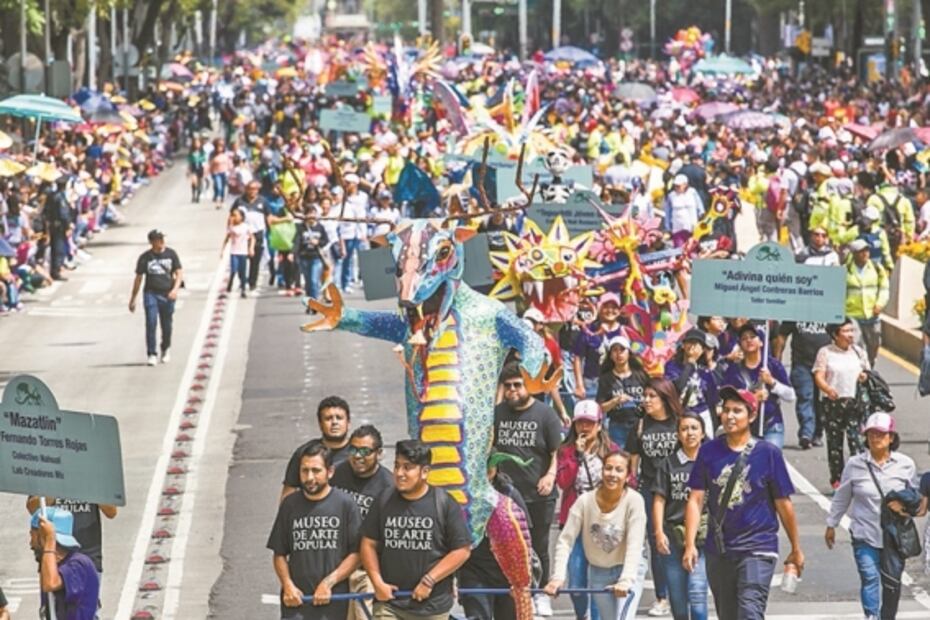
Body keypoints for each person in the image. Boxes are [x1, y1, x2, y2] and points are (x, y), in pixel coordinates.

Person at [683, 387, 804, 620]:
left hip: (758, 546)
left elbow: (783, 503)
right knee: (727, 615)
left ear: (751, 416)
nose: (729, 416)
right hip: (719, 548)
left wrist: (796, 548)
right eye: (726, 410)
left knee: (750, 611)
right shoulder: (708, 452)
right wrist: (690, 544)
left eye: (737, 411)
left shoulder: (768, 453)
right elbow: (695, 499)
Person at [360, 439, 472, 620]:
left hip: (432, 607)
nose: (399, 473)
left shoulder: (444, 503)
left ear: (425, 472)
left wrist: (429, 580)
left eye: (407, 467)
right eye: (396, 466)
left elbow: (462, 550)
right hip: (389, 604)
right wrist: (377, 582)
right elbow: (368, 543)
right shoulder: (383, 499)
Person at [826, 413, 919, 620]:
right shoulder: (854, 464)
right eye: (871, 434)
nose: (875, 438)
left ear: (891, 437)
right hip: (864, 534)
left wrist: (903, 508)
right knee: (869, 576)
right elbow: (842, 496)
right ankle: (871, 616)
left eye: (880, 434)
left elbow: (916, 500)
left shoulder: (906, 464)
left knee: (892, 583)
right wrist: (831, 524)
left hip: (894, 537)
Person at [493, 361, 563, 617]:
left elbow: (557, 450)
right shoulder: (498, 413)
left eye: (518, 385)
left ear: (529, 386)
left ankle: (541, 594)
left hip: (538, 494)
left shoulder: (546, 414)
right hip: (506, 496)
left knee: (539, 546)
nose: (513, 390)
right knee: (509, 547)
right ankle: (517, 595)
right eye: (508, 385)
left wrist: (550, 474)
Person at [545, 450, 647, 620]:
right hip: (599, 570)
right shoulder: (584, 501)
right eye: (608, 468)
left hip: (629, 567)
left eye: (619, 470)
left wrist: (626, 579)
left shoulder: (634, 501)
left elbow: (635, 544)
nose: (612, 474)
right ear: (602, 471)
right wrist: (558, 577)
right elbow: (565, 540)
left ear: (628, 476)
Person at [267, 440, 362, 620]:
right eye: (305, 471)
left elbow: (356, 554)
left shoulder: (346, 504)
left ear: (330, 472)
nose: (310, 477)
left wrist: (328, 583)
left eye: (316, 471)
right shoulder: (290, 505)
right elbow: (279, 553)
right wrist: (288, 585)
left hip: (333, 602)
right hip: (296, 603)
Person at [555, 400, 619, 620]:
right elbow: (563, 482)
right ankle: (581, 614)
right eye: (580, 423)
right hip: (576, 523)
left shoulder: (611, 451)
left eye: (589, 423)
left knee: (600, 581)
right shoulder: (566, 451)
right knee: (576, 581)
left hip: (604, 521)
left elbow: (625, 480)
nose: (584, 428)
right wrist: (577, 457)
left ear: (599, 425)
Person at [626, 377, 681, 618]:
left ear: (665, 398)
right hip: (650, 489)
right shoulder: (640, 425)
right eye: (644, 396)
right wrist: (632, 483)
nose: (646, 400)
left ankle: (683, 587)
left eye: (651, 396)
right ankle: (662, 596)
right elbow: (634, 456)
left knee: (680, 538)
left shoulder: (680, 423)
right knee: (657, 543)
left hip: (678, 489)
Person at [458, 450, 533, 620]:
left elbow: (526, 538)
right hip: (474, 572)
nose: (483, 474)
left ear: (495, 469)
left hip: (508, 575)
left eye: (488, 468)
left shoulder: (510, 494)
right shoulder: (462, 498)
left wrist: (523, 582)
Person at [330, 425, 394, 620]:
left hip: (366, 570)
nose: (358, 456)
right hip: (335, 563)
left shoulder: (389, 486)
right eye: (353, 449)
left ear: (379, 453)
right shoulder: (337, 474)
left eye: (365, 451)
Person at [653, 414, 708, 620]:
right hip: (672, 535)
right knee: (677, 597)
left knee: (697, 590)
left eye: (694, 428)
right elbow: (659, 499)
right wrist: (658, 532)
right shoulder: (668, 463)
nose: (690, 433)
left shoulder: (711, 462)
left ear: (702, 433)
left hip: (703, 536)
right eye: (684, 429)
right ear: (678, 434)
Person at [813, 318, 870, 488]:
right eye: (846, 331)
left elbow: (868, 373)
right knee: (835, 444)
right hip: (833, 403)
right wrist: (828, 389)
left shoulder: (859, 352)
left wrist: (864, 377)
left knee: (857, 442)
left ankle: (858, 479)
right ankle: (837, 479)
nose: (850, 335)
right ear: (835, 335)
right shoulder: (825, 352)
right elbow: (818, 376)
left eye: (852, 330)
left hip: (855, 403)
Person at [721, 323, 795, 448]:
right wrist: (753, 398)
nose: (748, 340)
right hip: (743, 427)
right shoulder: (734, 370)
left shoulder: (772, 365)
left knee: (770, 462)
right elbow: (726, 399)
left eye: (752, 337)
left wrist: (772, 382)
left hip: (771, 425)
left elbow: (790, 396)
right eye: (744, 338)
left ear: (761, 342)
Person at [30, 507, 100, 620]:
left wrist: (49, 541)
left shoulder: (78, 565)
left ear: (42, 536)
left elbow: (51, 584)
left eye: (32, 536)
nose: (31, 543)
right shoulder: (51, 565)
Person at [773, 319, 832, 449]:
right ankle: (806, 433)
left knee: (821, 401)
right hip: (802, 365)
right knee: (805, 397)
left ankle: (817, 433)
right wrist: (777, 362)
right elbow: (782, 336)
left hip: (825, 367)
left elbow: (841, 334)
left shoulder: (829, 312)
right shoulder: (796, 313)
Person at [129, 229, 183, 366]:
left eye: (163, 239)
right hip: (151, 293)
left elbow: (179, 273)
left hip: (167, 293)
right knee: (151, 323)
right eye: (159, 239)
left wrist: (175, 290)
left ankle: (165, 348)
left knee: (167, 324)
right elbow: (139, 278)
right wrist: (133, 298)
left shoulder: (171, 254)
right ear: (152, 242)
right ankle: (151, 353)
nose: (162, 242)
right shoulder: (145, 257)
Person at [281, 396, 353, 501]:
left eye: (339, 418)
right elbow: (287, 496)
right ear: (320, 424)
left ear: (348, 423)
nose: (334, 422)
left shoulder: (358, 454)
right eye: (328, 418)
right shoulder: (304, 453)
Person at [596, 334, 649, 449]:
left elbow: (651, 399)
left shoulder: (641, 375)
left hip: (638, 422)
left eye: (622, 350)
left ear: (629, 353)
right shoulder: (606, 379)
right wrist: (615, 401)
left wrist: (643, 422)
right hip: (617, 425)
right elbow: (600, 407)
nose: (619, 353)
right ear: (610, 355)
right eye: (615, 350)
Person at [664, 329, 718, 435]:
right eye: (690, 342)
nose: (692, 346)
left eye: (697, 343)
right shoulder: (671, 366)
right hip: (680, 415)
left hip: (702, 414)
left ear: (702, 349)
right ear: (683, 345)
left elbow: (712, 400)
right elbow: (676, 388)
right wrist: (690, 364)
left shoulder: (705, 371)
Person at [845, 239, 889, 368]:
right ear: (854, 254)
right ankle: (860, 369)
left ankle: (870, 363)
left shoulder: (876, 268)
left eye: (866, 250)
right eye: (861, 251)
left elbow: (884, 288)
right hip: (853, 315)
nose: (865, 254)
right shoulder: (846, 270)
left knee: (874, 343)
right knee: (856, 345)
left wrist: (880, 304)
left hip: (872, 314)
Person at [573, 293, 624, 401]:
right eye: (606, 307)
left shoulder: (624, 332)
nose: (610, 310)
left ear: (619, 310)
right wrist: (579, 384)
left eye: (614, 307)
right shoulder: (589, 330)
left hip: (618, 381)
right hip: (592, 383)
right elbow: (578, 357)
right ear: (599, 308)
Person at [231, 180, 269, 291]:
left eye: (254, 189)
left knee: (255, 261)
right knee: (241, 260)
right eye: (250, 189)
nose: (252, 191)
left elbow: (269, 216)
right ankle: (242, 279)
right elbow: (232, 215)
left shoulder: (263, 201)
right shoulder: (239, 201)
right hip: (242, 235)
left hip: (258, 234)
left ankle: (252, 282)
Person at [295, 208, 329, 305]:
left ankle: (315, 303)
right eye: (309, 214)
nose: (311, 217)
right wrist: (293, 253)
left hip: (316, 257)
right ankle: (310, 300)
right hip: (304, 257)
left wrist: (318, 242)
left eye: (313, 214)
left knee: (314, 280)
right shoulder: (301, 227)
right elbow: (297, 241)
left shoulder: (320, 227)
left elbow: (325, 240)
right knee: (308, 282)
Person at [222, 207, 254, 298]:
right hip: (234, 252)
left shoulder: (245, 227)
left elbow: (252, 238)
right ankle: (229, 287)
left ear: (242, 217)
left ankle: (243, 289)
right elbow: (227, 238)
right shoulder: (232, 227)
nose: (234, 217)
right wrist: (222, 250)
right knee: (233, 270)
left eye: (236, 215)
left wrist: (251, 248)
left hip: (243, 253)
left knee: (242, 272)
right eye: (233, 215)